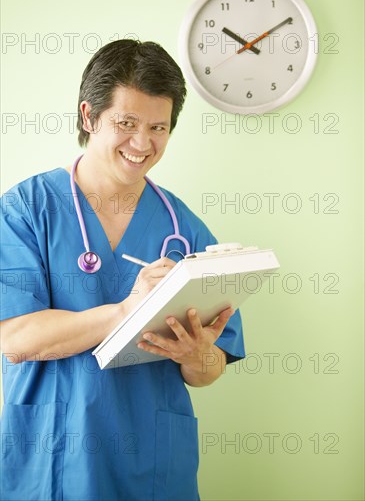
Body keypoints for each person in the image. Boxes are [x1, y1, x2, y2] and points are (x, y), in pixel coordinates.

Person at [0, 39, 245, 501]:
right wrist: (127, 310)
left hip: (152, 461)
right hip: (54, 455)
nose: (142, 143)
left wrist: (198, 357)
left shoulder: (184, 228)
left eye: (158, 127)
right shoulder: (26, 211)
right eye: (126, 123)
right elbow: (14, 338)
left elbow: (212, 366)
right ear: (89, 116)